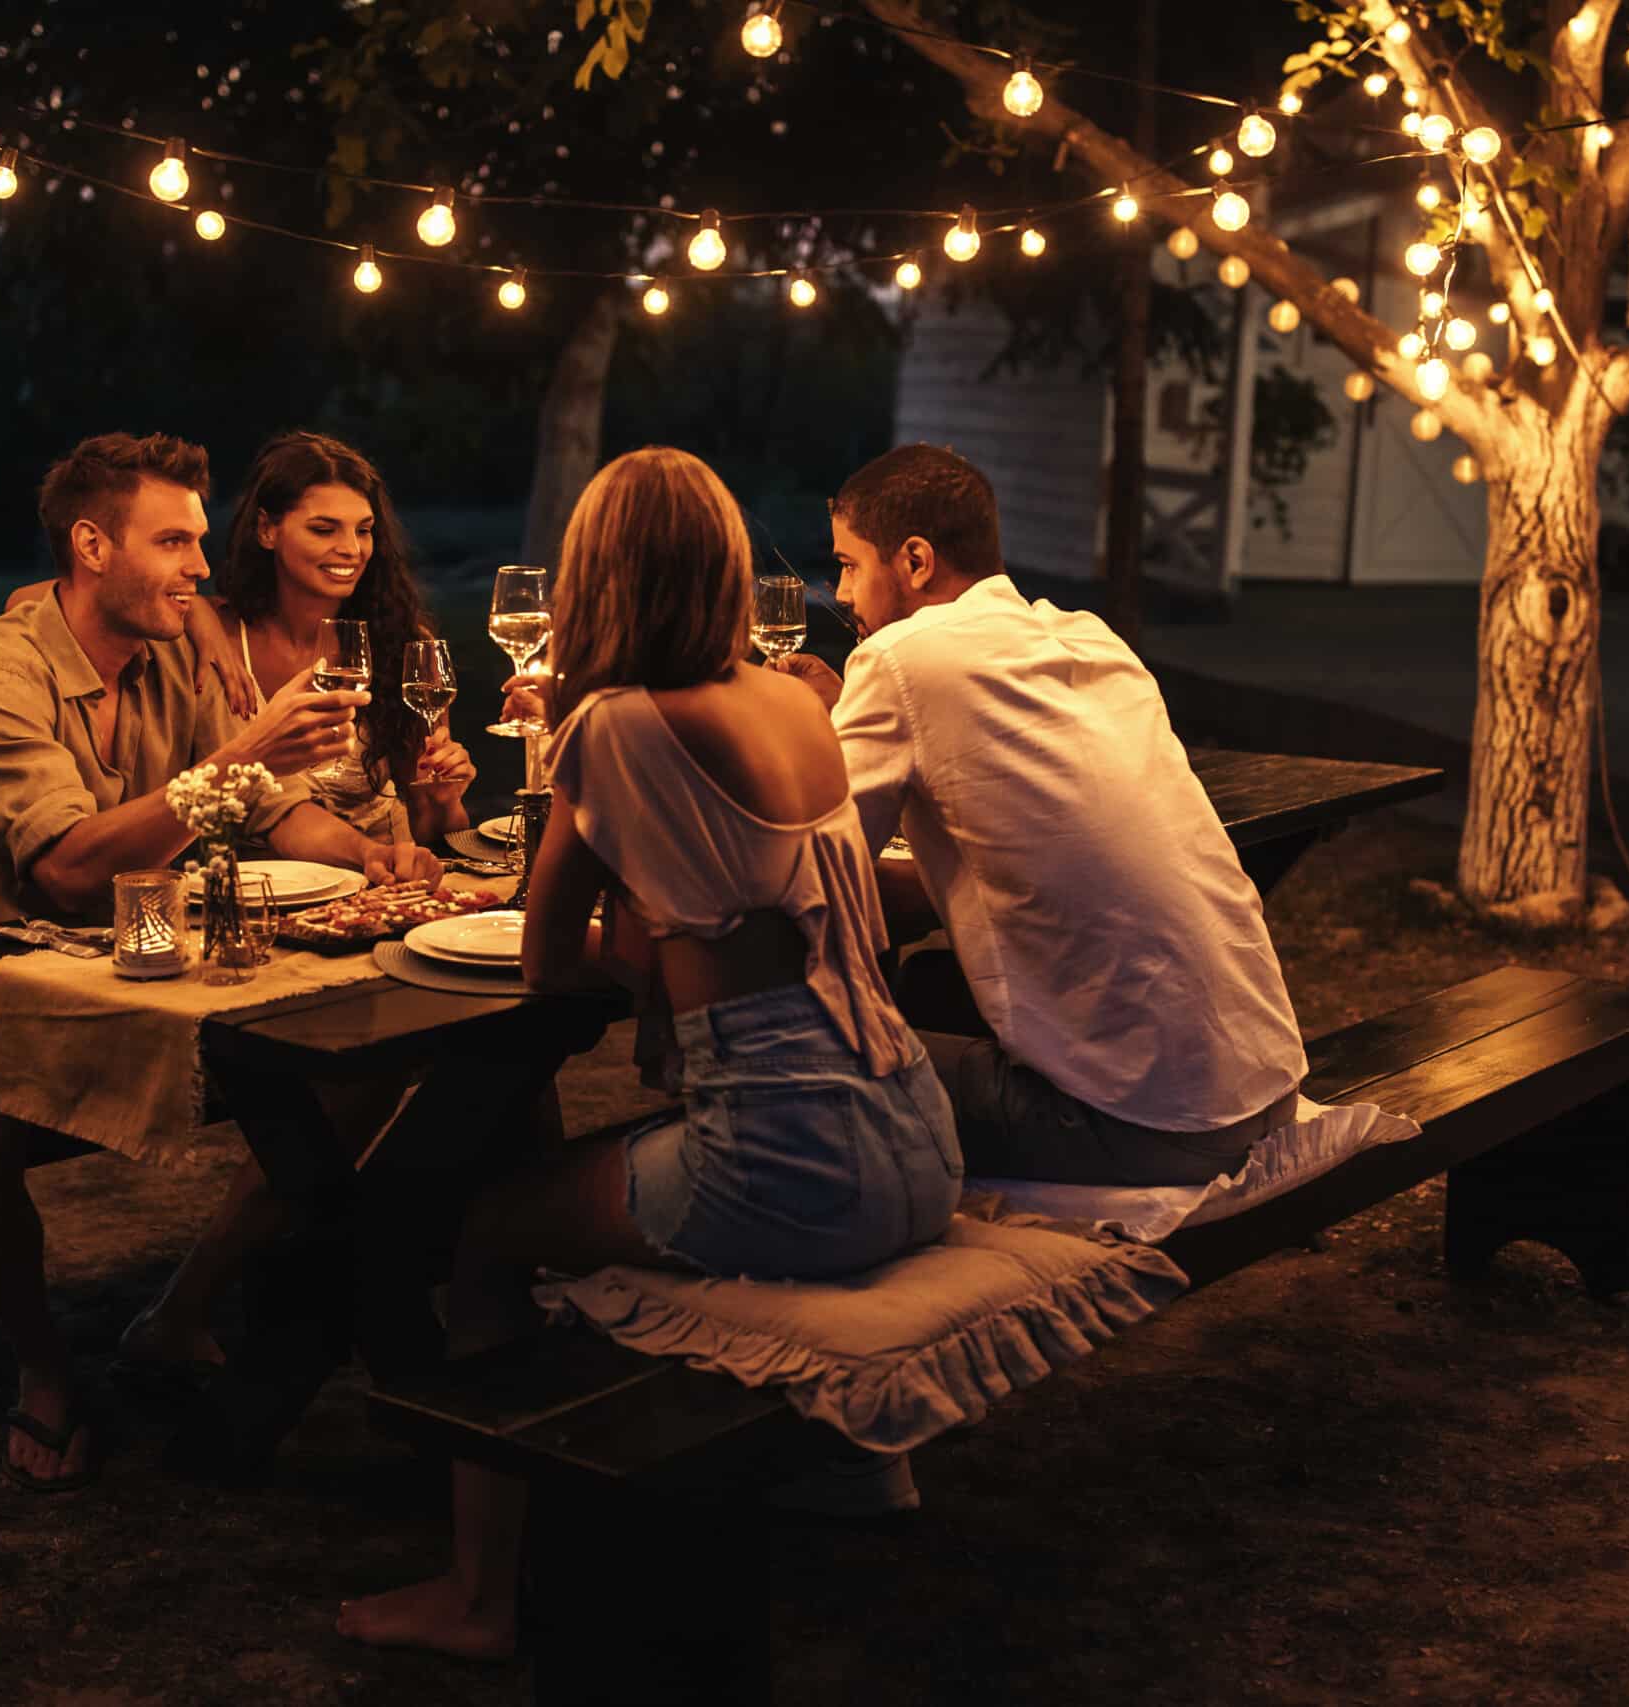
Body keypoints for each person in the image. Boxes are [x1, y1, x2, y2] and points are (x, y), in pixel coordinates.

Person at [337, 447, 962, 1661]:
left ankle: (479, 1596)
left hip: (791, 1162)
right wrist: (675, 944)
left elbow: (542, 960)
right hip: (915, 1129)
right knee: (601, 1178)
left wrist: (639, 947)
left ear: (594, 577)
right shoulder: (793, 697)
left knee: (484, 1237)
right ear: (727, 567)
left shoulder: (613, 727)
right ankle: (848, 1466)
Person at [0, 430, 442, 1490]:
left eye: (199, 539)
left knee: (369, 1054)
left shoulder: (174, 652)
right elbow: (63, 869)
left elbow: (270, 808)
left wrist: (369, 851)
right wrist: (238, 758)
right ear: (92, 546)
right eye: (176, 541)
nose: (201, 565)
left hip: (149, 954)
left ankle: (183, 1310)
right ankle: (47, 1372)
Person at [772, 442, 1307, 1187]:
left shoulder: (899, 657)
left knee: (804, 1081)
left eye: (851, 565)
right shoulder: (1086, 638)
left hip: (1147, 1125)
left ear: (916, 561)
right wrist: (846, 719)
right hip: (1262, 1088)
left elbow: (809, 875)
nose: (843, 592)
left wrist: (789, 729)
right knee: (926, 987)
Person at [206, 430, 476, 845]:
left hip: (378, 884)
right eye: (324, 529)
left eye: (364, 530)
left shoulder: (400, 643)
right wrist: (200, 624)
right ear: (266, 530)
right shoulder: (219, 635)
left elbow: (436, 835)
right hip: (257, 888)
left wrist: (443, 799)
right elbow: (183, 606)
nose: (351, 549)